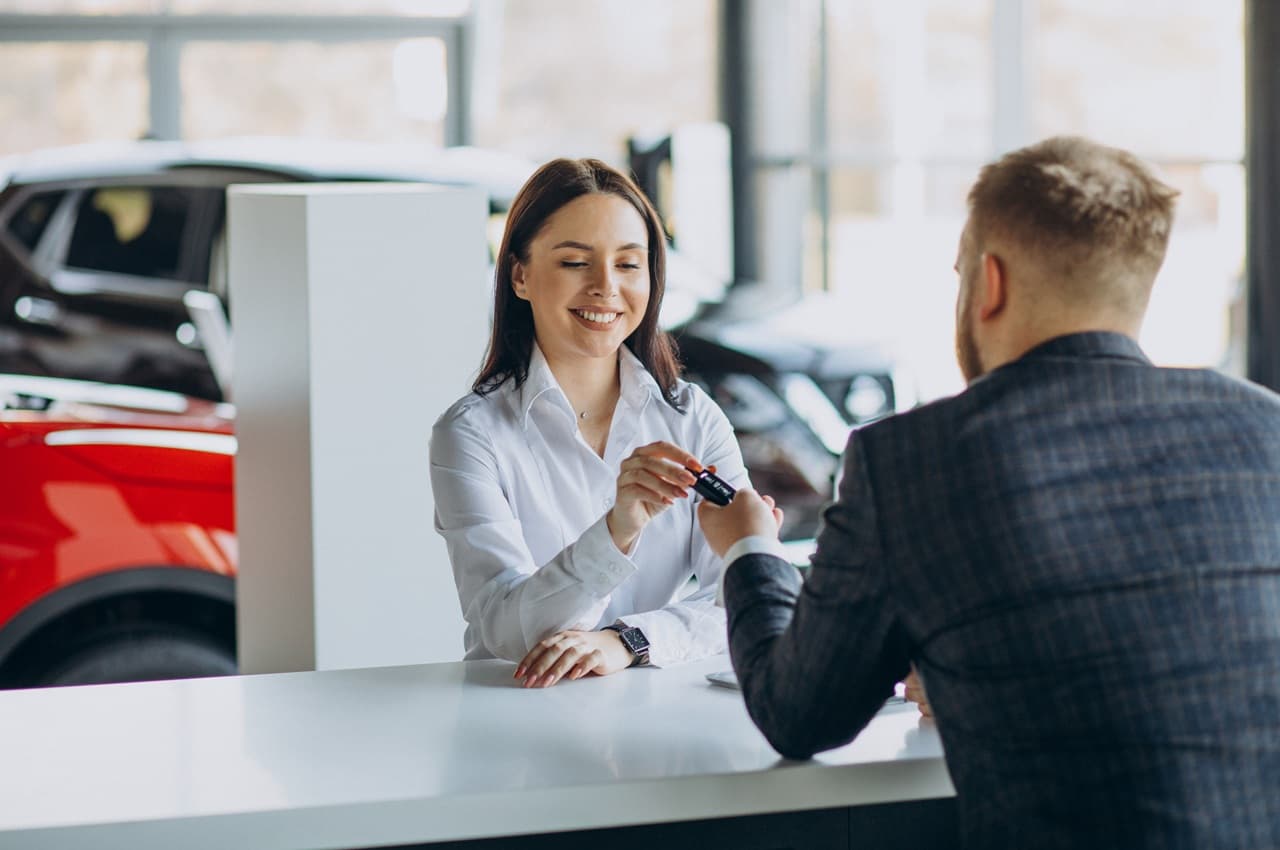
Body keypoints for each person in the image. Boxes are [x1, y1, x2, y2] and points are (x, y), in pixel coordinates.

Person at [698, 136, 1280, 847]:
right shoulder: (1265, 426)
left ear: (990, 281)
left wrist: (749, 550)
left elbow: (798, 715)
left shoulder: (912, 460)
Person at [430, 157, 759, 688]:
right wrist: (617, 529)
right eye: (575, 263)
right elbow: (506, 628)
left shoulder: (692, 418)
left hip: (659, 717)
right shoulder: (471, 435)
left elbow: (741, 600)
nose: (606, 287)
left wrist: (627, 641)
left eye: (628, 264)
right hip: (513, 719)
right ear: (520, 274)